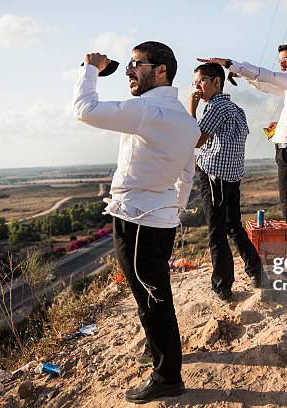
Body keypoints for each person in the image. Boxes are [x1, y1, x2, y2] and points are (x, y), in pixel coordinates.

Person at [73, 41, 199, 403]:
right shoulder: (185, 121)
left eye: (136, 64)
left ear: (161, 71)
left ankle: (167, 376)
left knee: (151, 298)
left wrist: (91, 67)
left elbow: (85, 109)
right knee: (155, 293)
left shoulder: (147, 110)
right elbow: (186, 174)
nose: (128, 70)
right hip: (158, 219)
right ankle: (161, 352)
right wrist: (171, 211)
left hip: (138, 220)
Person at [197, 42, 287, 259]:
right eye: (279, 60)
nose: (281, 64)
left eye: (285, 60)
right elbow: (265, 85)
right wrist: (242, 75)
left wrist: (229, 64)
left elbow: (267, 76)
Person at [189, 62, 262, 302]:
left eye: (200, 81)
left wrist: (192, 106)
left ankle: (222, 285)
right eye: (194, 84)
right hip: (232, 175)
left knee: (216, 230)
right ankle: (256, 270)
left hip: (214, 175)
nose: (197, 87)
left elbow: (195, 140)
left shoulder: (214, 107)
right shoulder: (235, 109)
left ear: (216, 81)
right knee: (233, 225)